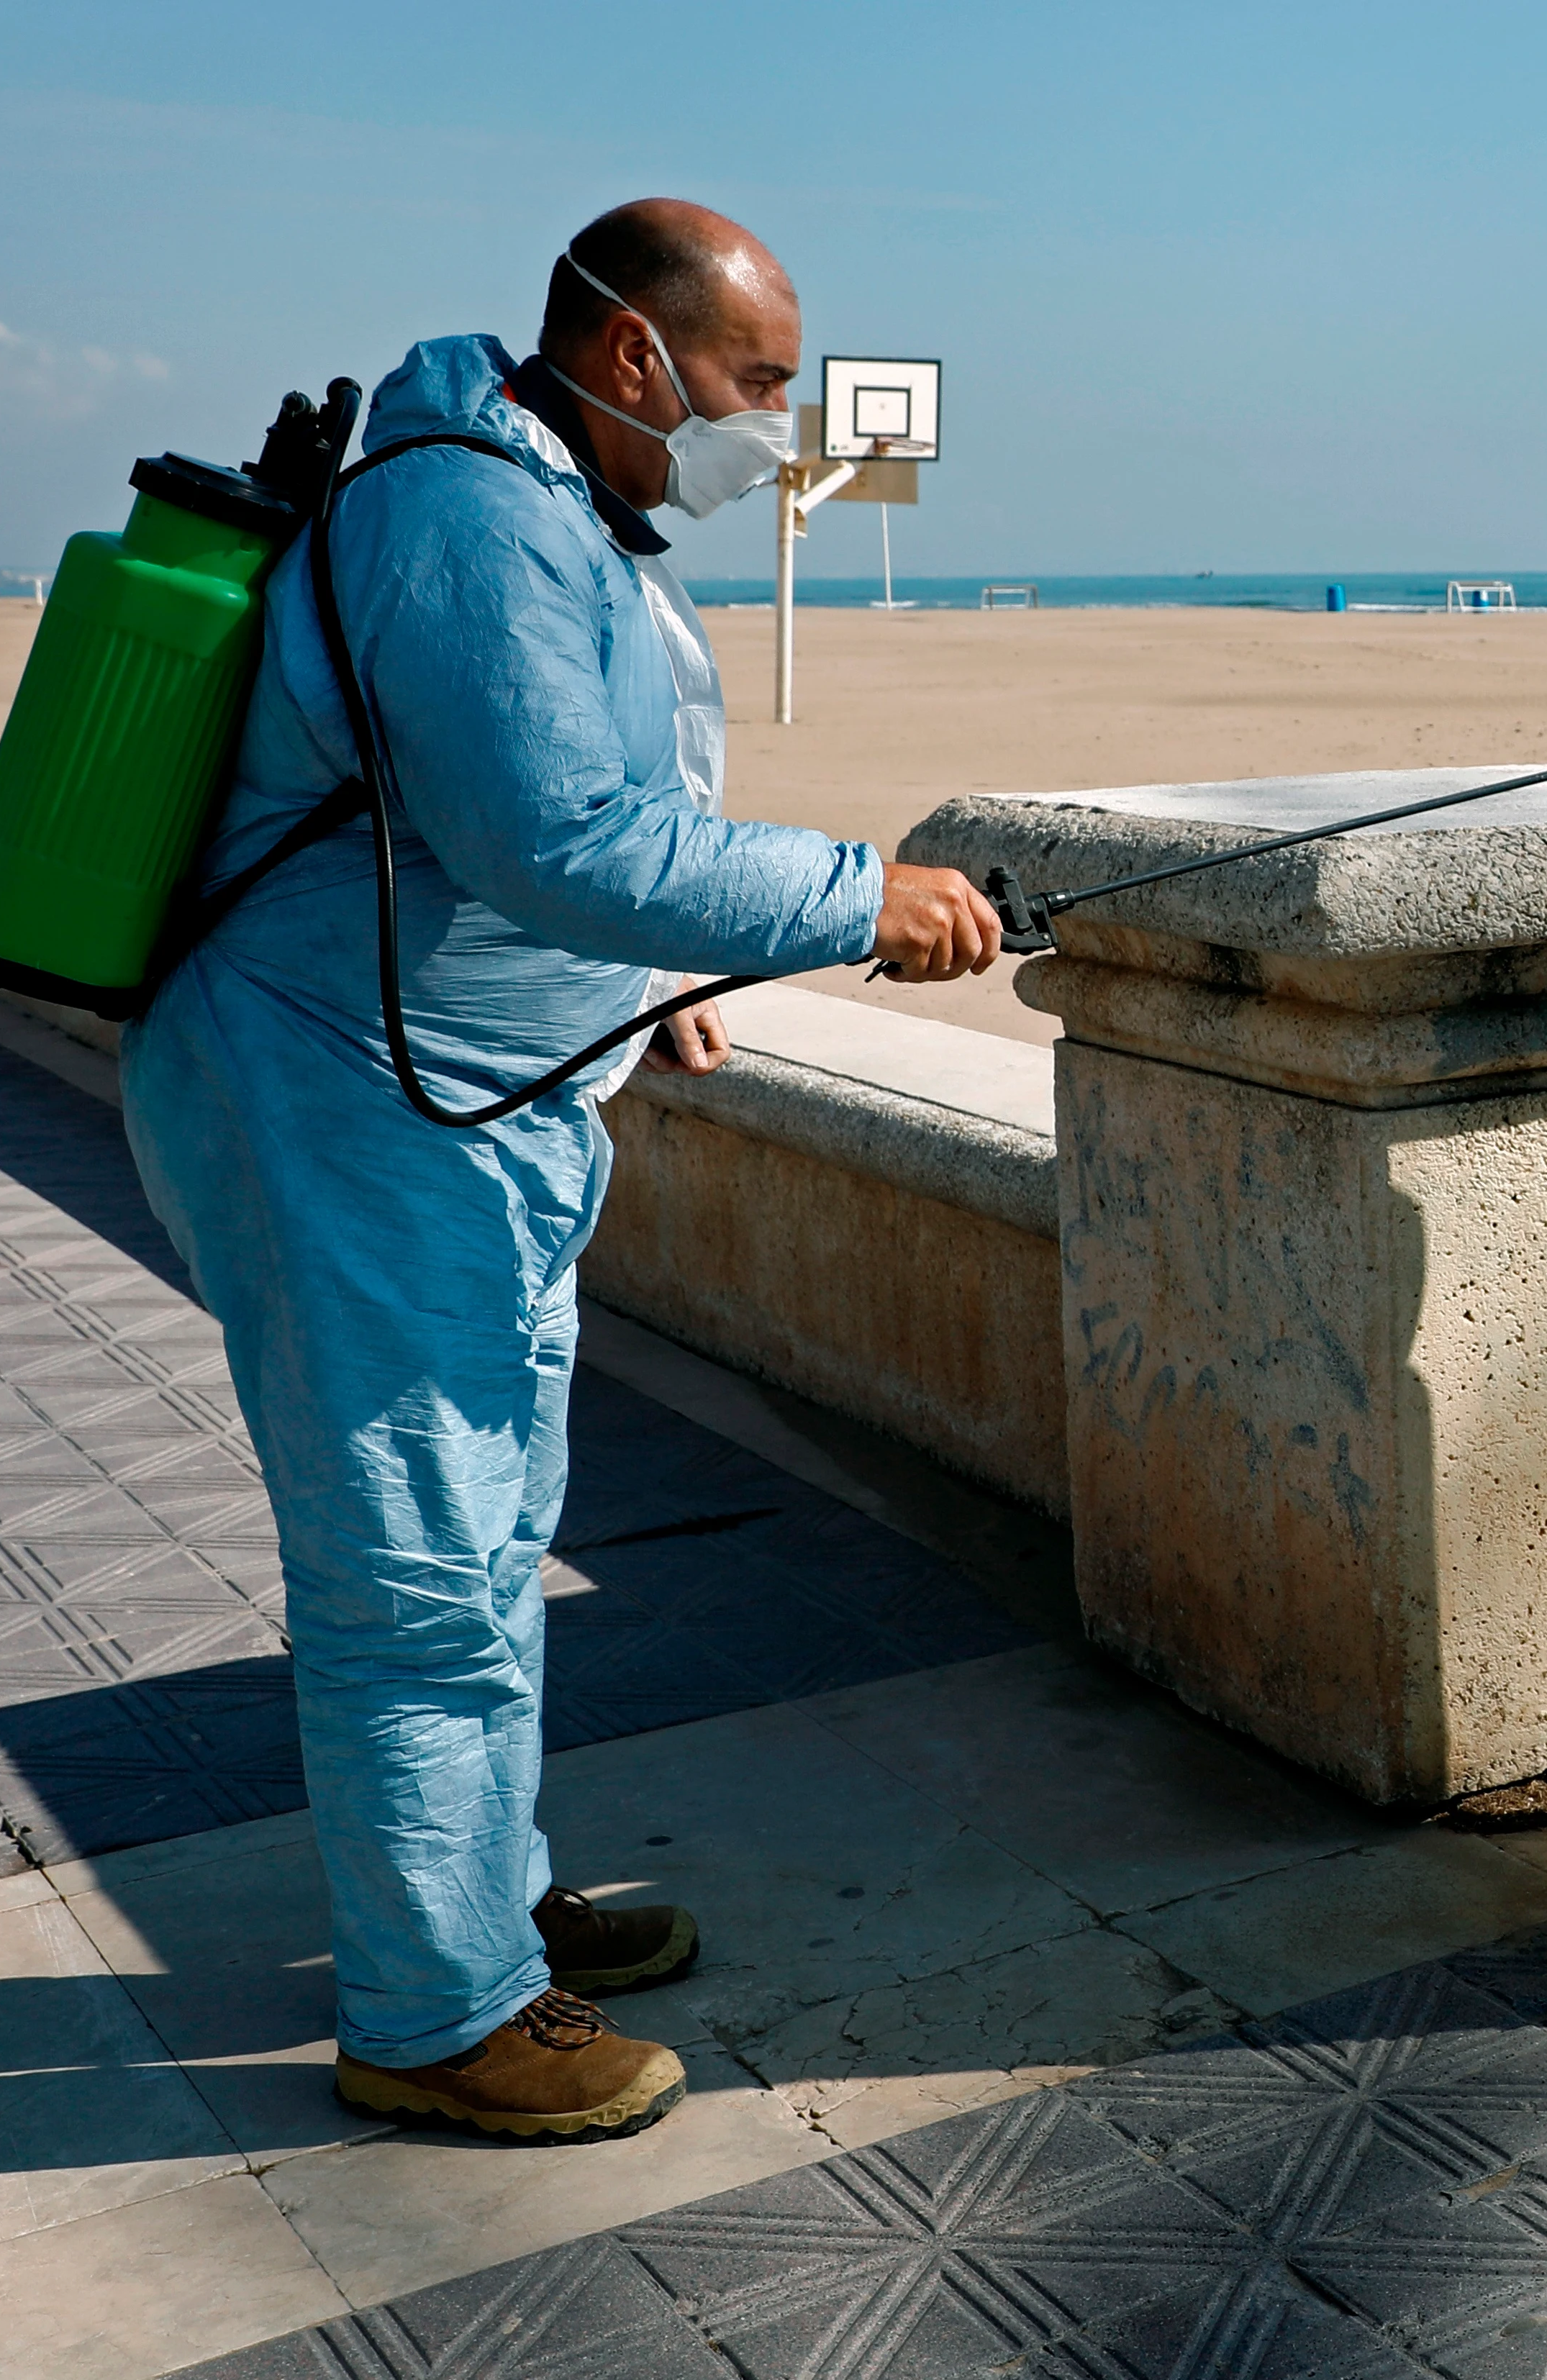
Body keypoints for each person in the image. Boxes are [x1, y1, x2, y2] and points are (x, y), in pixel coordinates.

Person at [120, 199, 1002, 2141]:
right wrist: (857, 898)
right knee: (413, 1567)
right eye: (757, 383)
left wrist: (654, 967)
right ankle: (438, 2015)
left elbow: (523, 843)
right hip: (336, 1105)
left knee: (486, 1541)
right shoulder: (460, 516)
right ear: (633, 360)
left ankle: (485, 1905)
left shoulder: (552, 500)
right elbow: (549, 836)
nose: (776, 424)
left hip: (446, 1093)